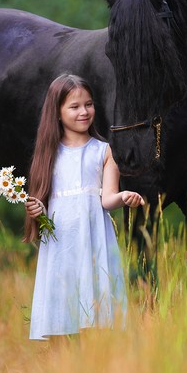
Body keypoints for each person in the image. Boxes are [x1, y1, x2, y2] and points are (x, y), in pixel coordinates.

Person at [24, 74, 144, 341]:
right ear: (57, 112)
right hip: (61, 244)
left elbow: (107, 200)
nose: (84, 112)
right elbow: (45, 205)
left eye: (88, 104)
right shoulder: (47, 154)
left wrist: (124, 195)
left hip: (94, 241)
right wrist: (38, 212)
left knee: (96, 315)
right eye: (74, 106)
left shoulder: (103, 151)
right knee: (61, 318)